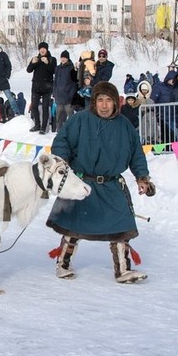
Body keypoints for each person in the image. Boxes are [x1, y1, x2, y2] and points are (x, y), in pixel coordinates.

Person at [47, 81, 154, 284]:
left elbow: (136, 154)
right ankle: (63, 264)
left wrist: (142, 177)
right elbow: (62, 142)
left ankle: (123, 270)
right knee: (73, 226)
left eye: (108, 101)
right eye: (100, 100)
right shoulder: (79, 120)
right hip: (82, 183)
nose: (104, 105)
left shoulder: (125, 126)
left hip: (111, 184)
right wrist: (61, 163)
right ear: (94, 102)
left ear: (115, 103)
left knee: (121, 225)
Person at [26, 42, 57, 133]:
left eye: (44, 48)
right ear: (39, 50)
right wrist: (32, 63)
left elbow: (54, 71)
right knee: (34, 107)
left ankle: (43, 127)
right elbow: (28, 70)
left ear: (47, 49)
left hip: (47, 87)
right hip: (36, 87)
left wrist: (47, 63)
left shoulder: (52, 59)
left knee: (45, 107)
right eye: (41, 48)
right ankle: (37, 125)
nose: (42, 50)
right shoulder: (36, 59)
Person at [51, 51, 77, 132]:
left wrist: (71, 95)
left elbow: (74, 83)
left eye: (65, 57)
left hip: (68, 97)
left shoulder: (71, 68)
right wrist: (54, 93)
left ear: (67, 58)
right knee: (58, 116)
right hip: (59, 97)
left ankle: (72, 131)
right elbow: (55, 82)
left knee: (70, 115)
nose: (63, 59)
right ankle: (59, 131)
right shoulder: (58, 68)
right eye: (62, 57)